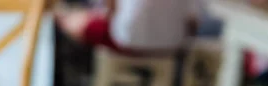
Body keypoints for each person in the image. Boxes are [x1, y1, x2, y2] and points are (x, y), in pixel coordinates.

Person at [56, 0, 202, 55]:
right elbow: (193, 23)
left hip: (128, 41)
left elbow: (110, 12)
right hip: (173, 45)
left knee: (75, 22)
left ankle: (57, 16)